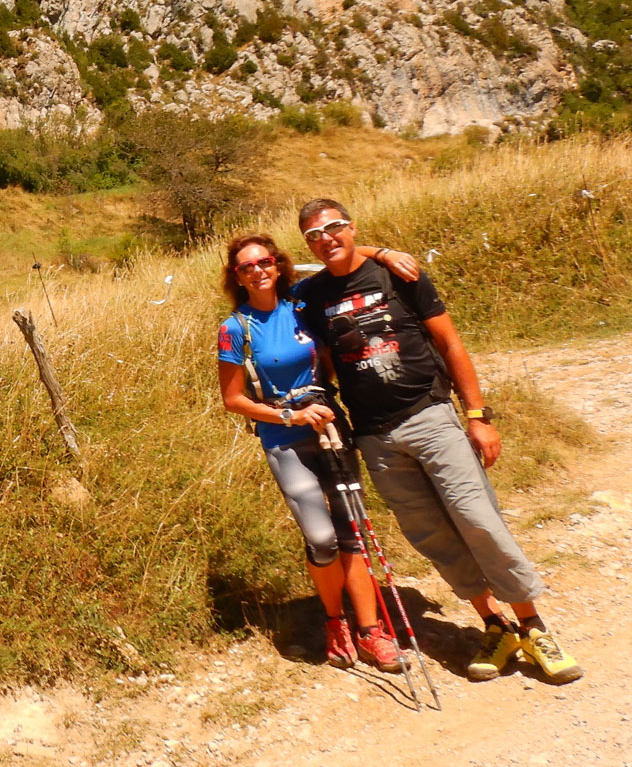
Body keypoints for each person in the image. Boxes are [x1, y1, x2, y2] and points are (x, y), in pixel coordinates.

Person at [293, 198, 583, 684]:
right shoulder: (312, 296)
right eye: (314, 235)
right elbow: (285, 299)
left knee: (477, 519)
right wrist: (378, 248)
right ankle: (494, 625)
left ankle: (533, 627)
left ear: (351, 224)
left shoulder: (401, 277)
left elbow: (450, 343)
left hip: (429, 415)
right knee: (433, 536)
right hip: (374, 437)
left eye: (336, 228)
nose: (326, 238)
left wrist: (477, 415)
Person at [216, 234, 410, 671]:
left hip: (330, 426)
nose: (258, 270)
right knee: (321, 539)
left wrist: (383, 253)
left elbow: (341, 265)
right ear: (237, 276)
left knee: (352, 530)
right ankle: (333, 621)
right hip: (284, 436)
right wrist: (288, 418)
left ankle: (370, 631)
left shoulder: (303, 307)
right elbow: (232, 400)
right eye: (247, 266)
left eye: (265, 261)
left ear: (279, 265)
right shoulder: (234, 329)